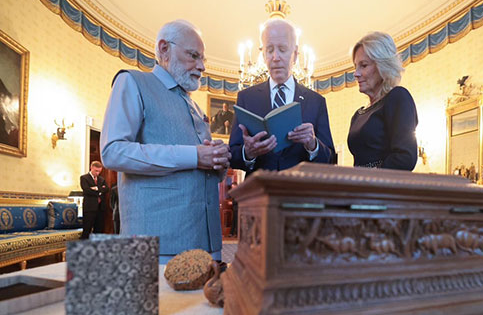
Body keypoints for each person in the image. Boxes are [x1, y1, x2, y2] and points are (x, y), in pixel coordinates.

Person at [100, 19, 231, 262]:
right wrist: (195, 156)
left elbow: (205, 170)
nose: (201, 66)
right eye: (193, 56)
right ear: (164, 49)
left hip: (208, 241)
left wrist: (218, 161)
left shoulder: (193, 104)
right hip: (158, 244)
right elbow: (113, 151)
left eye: (203, 59)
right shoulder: (133, 82)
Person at [229, 18, 335, 173]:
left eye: (282, 49)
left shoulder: (316, 101)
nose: (275, 57)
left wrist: (312, 144)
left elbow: (331, 160)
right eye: (270, 50)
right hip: (258, 193)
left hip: (300, 194)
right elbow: (232, 156)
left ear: (296, 54)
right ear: (263, 54)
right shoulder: (246, 98)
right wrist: (248, 152)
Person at [347, 32, 418, 170]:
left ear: (383, 66)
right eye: (355, 66)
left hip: (383, 188)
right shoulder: (357, 115)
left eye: (364, 65)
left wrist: (367, 178)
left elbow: (405, 158)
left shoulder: (398, 97)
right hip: (360, 188)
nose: (356, 73)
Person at [80, 161, 109, 239]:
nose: (97, 173)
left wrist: (96, 189)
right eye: (96, 171)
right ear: (91, 168)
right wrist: (100, 191)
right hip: (89, 208)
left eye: (99, 171)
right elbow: (87, 190)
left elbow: (106, 189)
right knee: (87, 229)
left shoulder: (101, 179)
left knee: (99, 229)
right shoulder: (84, 178)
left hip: (100, 208)